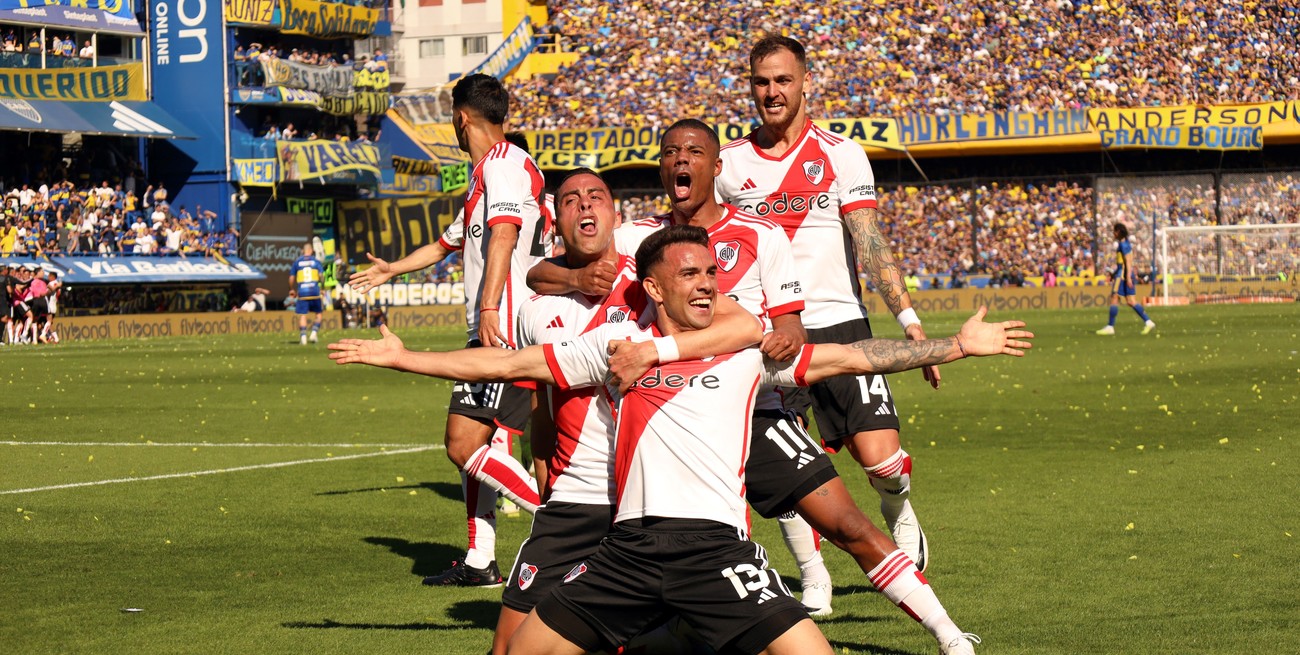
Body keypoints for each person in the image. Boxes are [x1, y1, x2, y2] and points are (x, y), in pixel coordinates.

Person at [328, 225, 1033, 655]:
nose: (707, 285)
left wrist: (956, 346)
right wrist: (405, 358)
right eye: (689, 274)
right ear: (654, 287)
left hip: (716, 552)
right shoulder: (615, 345)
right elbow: (509, 365)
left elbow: (850, 356)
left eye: (711, 274)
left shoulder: (746, 350)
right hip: (625, 552)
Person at [491, 167, 762, 655]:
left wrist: (656, 352)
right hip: (575, 496)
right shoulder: (535, 306)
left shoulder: (645, 268)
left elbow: (744, 325)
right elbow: (538, 396)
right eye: (571, 200)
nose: (585, 205)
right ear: (556, 220)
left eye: (596, 196)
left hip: (643, 500)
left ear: (618, 215)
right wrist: (543, 468)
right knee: (510, 645)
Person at [717, 36, 939, 579]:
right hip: (768, 332)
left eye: (783, 80)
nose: (772, 92)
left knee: (881, 459)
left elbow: (869, 242)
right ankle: (814, 578)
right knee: (784, 464)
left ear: (805, 83)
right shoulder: (729, 165)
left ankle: (897, 506)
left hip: (839, 320)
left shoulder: (841, 153)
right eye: (762, 82)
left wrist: (909, 320)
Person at [357, 73, 550, 587]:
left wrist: (488, 306)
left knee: (463, 444)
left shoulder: (504, 164)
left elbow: (504, 235)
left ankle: (567, 524)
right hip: (500, 325)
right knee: (476, 447)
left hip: (504, 329)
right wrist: (392, 269)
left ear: (461, 118)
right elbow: (446, 245)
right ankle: (481, 559)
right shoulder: (490, 173)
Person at [1096, 222, 1155, 335]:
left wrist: (1127, 277)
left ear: (1118, 232)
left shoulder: (1123, 245)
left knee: (1114, 297)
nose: (1113, 233)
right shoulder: (1125, 243)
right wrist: (1113, 274)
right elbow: (1122, 263)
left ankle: (1110, 326)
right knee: (1131, 301)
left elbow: (1128, 262)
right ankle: (1148, 322)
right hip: (1123, 274)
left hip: (1123, 276)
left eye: (1114, 231)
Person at [291, 243, 324, 344]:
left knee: (303, 315)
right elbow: (321, 276)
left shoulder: (297, 262)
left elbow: (291, 278)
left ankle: (303, 337)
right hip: (314, 291)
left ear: (303, 250)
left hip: (303, 292)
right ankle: (314, 333)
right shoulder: (316, 262)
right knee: (318, 314)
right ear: (311, 250)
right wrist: (322, 287)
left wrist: (292, 289)